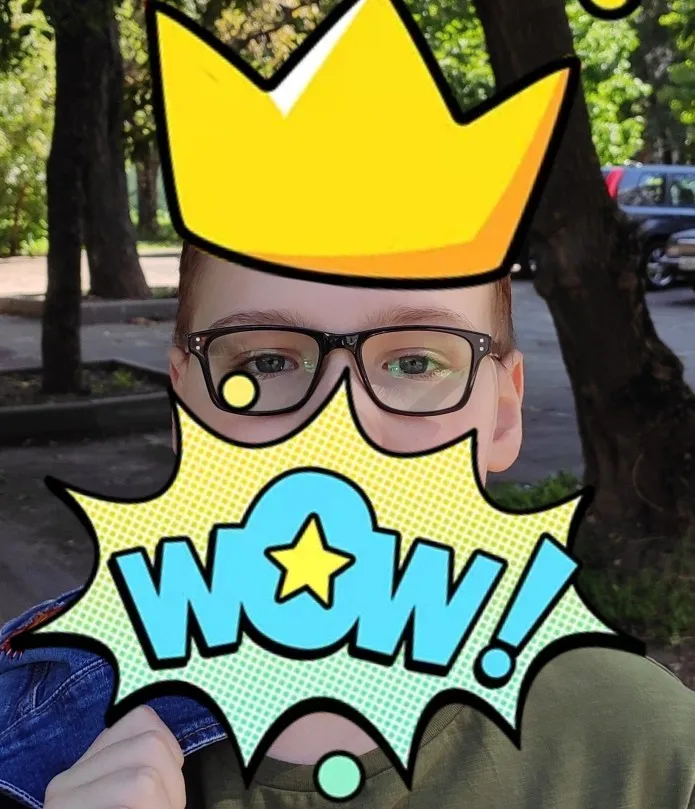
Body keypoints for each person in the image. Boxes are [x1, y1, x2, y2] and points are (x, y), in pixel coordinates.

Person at [0, 243, 694, 809]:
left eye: (415, 362)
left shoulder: (649, 753)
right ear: (185, 404)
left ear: (503, 414)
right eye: (267, 362)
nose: (337, 422)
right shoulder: (33, 722)